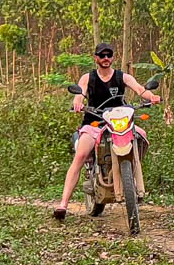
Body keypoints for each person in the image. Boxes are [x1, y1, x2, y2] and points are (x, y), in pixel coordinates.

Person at [54, 42, 161, 221]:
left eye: (109, 55)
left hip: (120, 122)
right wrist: (78, 103)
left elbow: (140, 90)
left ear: (113, 57)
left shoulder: (122, 77)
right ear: (96, 58)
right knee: (80, 156)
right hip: (95, 123)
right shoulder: (88, 78)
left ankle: (133, 179)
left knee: (141, 136)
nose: (105, 58)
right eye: (102, 55)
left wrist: (152, 97)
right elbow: (79, 95)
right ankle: (63, 204)